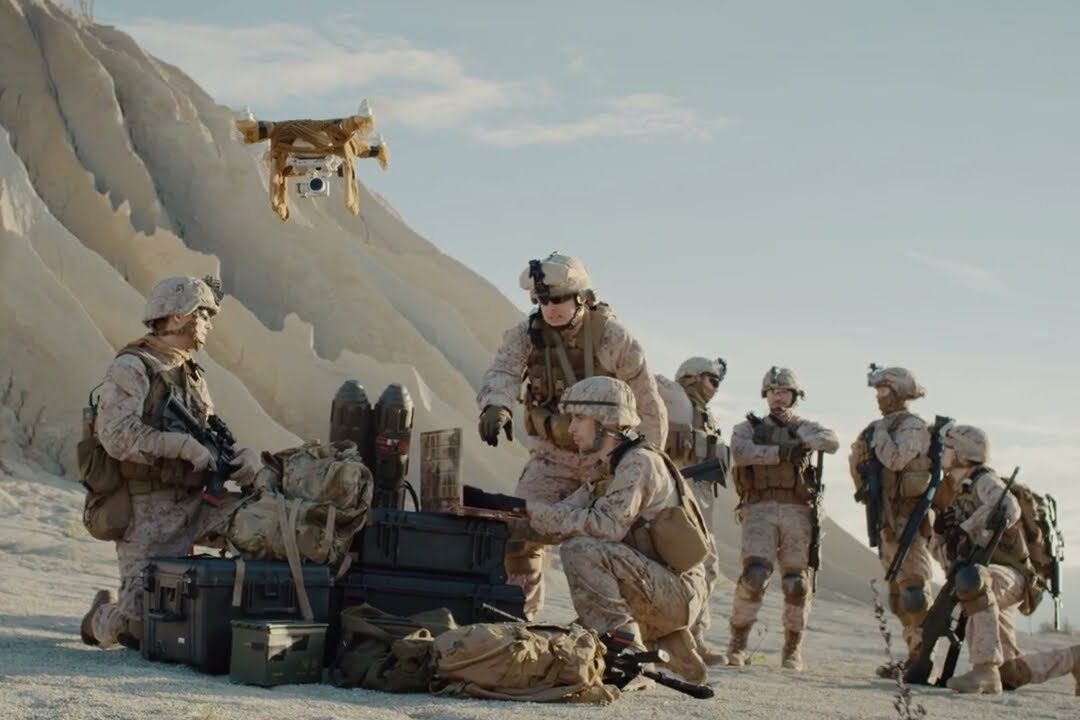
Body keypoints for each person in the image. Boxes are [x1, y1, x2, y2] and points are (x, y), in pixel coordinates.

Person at [476, 253, 666, 618]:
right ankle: (520, 617)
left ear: (581, 297)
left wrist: (647, 461)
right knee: (519, 535)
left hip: (606, 461)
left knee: (621, 544)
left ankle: (621, 631)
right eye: (543, 301)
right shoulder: (525, 336)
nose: (551, 308)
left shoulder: (613, 338)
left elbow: (648, 401)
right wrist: (496, 405)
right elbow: (503, 371)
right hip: (551, 457)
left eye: (559, 299)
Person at [79, 276, 261, 649]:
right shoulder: (132, 366)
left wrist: (239, 462)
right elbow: (115, 435)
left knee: (267, 526)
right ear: (177, 318)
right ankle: (99, 618)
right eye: (203, 315)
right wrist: (178, 446)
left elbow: (209, 435)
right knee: (139, 628)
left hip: (198, 504)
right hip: (149, 512)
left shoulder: (191, 373)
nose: (208, 324)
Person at [518, 376, 710, 683]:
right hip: (658, 584)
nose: (571, 429)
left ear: (608, 421)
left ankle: (627, 652)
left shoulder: (639, 463)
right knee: (577, 636)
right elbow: (563, 514)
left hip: (676, 590)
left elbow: (605, 527)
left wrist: (531, 511)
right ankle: (667, 643)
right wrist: (508, 513)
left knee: (580, 549)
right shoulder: (608, 467)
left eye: (579, 418)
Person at [934, 424, 1079, 695]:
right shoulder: (955, 490)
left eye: (948, 448)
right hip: (989, 583)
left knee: (974, 578)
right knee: (1010, 673)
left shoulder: (985, 482)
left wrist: (965, 529)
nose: (942, 452)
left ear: (963, 456)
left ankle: (984, 668)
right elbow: (949, 552)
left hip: (1011, 576)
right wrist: (942, 536)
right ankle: (1075, 659)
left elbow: (1007, 507)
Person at [726, 367, 838, 670]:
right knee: (755, 575)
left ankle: (792, 650)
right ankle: (737, 644)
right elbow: (740, 451)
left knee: (796, 583)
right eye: (774, 391)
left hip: (797, 511)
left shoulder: (804, 426)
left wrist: (800, 436)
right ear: (766, 394)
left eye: (785, 391)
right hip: (759, 508)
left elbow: (830, 441)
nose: (779, 396)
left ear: (794, 396)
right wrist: (782, 453)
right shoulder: (748, 427)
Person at [849, 365, 933, 676]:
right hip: (887, 520)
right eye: (877, 391)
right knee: (899, 597)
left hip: (909, 519)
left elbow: (896, 459)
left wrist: (880, 432)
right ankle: (913, 655)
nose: (879, 397)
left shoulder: (911, 426)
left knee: (914, 593)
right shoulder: (876, 427)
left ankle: (924, 657)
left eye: (883, 390)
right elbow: (856, 460)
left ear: (898, 392)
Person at [662, 355, 730, 665]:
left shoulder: (706, 416)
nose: (715, 388)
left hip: (702, 499)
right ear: (692, 376)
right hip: (678, 493)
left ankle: (694, 637)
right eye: (712, 380)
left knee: (708, 567)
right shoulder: (675, 400)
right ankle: (676, 639)